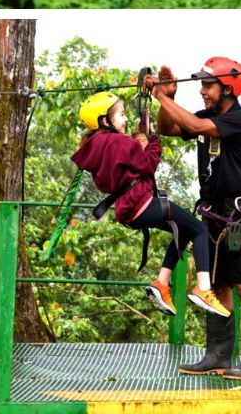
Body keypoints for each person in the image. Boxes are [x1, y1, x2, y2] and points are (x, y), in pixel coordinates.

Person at [152, 58, 241, 380]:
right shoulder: (207, 116)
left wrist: (160, 97)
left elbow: (194, 127)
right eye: (201, 86)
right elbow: (168, 128)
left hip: (240, 218)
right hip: (215, 216)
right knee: (217, 287)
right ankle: (216, 356)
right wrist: (168, 99)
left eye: (208, 85)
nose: (202, 92)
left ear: (228, 88)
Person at [72, 91, 231, 319]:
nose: (126, 119)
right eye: (121, 115)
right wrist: (153, 139)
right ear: (105, 121)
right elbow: (148, 164)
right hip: (142, 203)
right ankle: (203, 289)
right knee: (200, 229)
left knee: (184, 228)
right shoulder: (119, 142)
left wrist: (137, 144)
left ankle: (161, 283)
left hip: (128, 209)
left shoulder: (96, 146)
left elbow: (121, 172)